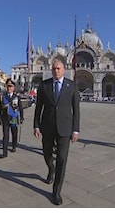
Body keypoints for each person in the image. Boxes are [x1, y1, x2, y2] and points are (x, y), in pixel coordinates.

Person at [33, 59, 80, 206]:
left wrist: (76, 130)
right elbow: (38, 107)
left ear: (64, 70)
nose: (56, 71)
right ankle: (51, 169)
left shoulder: (71, 86)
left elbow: (76, 110)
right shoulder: (44, 85)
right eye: (54, 69)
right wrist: (36, 126)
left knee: (62, 158)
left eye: (58, 68)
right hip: (47, 126)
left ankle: (56, 191)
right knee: (47, 153)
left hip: (65, 128)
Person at [0, 79, 24, 158]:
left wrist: (22, 117)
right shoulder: (3, 97)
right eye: (8, 87)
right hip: (5, 118)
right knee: (5, 135)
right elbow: (0, 108)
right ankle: (4, 153)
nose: (9, 88)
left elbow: (20, 108)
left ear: (13, 88)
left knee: (14, 133)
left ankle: (14, 145)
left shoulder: (16, 97)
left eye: (11, 87)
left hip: (13, 118)